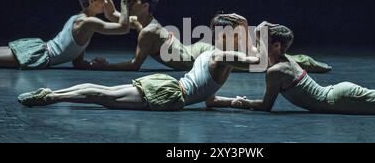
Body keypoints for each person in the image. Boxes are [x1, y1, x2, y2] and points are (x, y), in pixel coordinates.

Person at [17, 14, 266, 111]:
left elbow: (209, 99)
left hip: (168, 86)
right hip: (169, 94)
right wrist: (259, 31)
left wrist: (237, 102)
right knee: (106, 97)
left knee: (106, 94)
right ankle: (51, 97)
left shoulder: (211, 53)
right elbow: (260, 61)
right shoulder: (223, 57)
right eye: (240, 34)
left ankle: (52, 95)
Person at [95, 0, 331, 73]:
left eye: (133, 1)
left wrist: (106, 67)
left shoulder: (148, 32)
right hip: (197, 49)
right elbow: (118, 19)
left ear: (145, 6)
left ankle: (304, 61)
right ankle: (302, 60)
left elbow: (135, 65)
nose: (129, 4)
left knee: (259, 64)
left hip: (199, 55)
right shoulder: (145, 24)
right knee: (255, 61)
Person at [231, 23, 375, 114]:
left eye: (264, 42)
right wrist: (263, 28)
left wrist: (241, 103)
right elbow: (259, 33)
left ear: (276, 46)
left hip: (341, 99)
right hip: (338, 95)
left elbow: (266, 106)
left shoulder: (276, 71)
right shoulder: (280, 60)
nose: (258, 46)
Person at [0, 0, 135, 70]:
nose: (105, 3)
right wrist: (124, 2)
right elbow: (123, 28)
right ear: (91, 2)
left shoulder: (82, 19)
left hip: (38, 50)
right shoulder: (88, 22)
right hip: (37, 55)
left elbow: (77, 63)